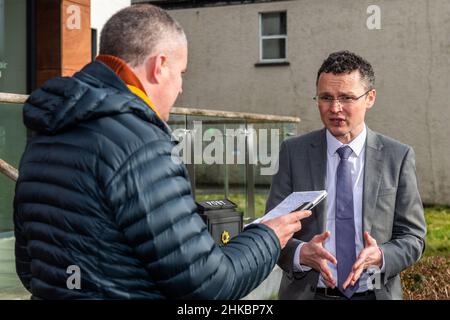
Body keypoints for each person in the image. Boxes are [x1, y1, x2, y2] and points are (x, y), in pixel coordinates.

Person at [13, 4, 311, 300]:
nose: (180, 87)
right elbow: (207, 284)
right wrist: (269, 237)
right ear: (159, 66)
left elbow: (31, 270)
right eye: (181, 73)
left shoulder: (45, 133)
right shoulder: (141, 144)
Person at [266, 51, 427, 300]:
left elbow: (413, 237)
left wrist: (382, 256)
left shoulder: (398, 156)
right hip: (308, 294)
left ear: (370, 98)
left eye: (347, 98)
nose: (335, 108)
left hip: (374, 294)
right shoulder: (293, 153)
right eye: (326, 97)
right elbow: (270, 232)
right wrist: (301, 254)